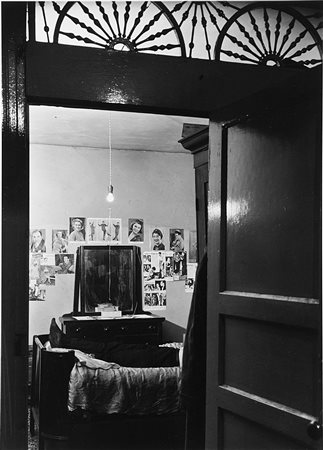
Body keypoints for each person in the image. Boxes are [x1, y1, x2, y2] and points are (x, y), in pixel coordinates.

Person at [49, 318, 180, 368]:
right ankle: (66, 341)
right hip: (171, 353)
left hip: (171, 358)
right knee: (113, 346)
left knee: (115, 354)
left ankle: (66, 341)